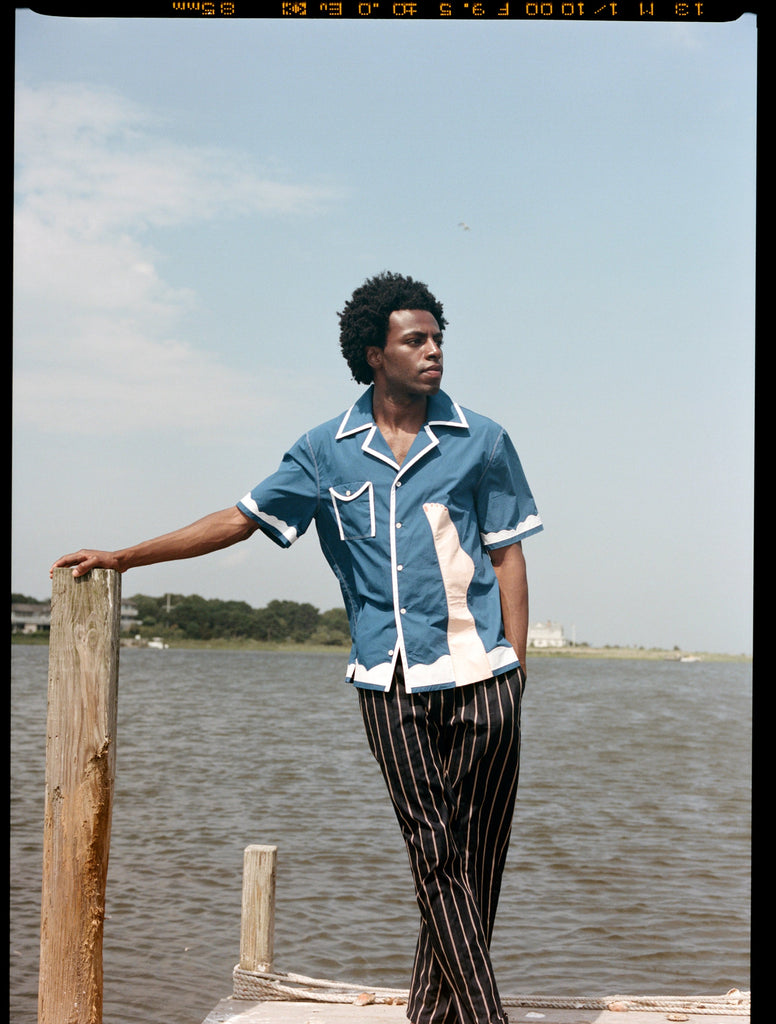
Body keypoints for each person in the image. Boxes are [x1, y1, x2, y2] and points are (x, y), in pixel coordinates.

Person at [52, 271, 543, 1024]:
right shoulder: (325, 451)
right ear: (375, 354)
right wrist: (124, 557)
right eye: (416, 340)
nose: (434, 351)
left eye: (438, 339)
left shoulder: (483, 440)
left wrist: (514, 668)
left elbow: (508, 557)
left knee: (473, 867)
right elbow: (240, 519)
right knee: (436, 854)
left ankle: (432, 1017)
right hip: (390, 683)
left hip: (485, 677)